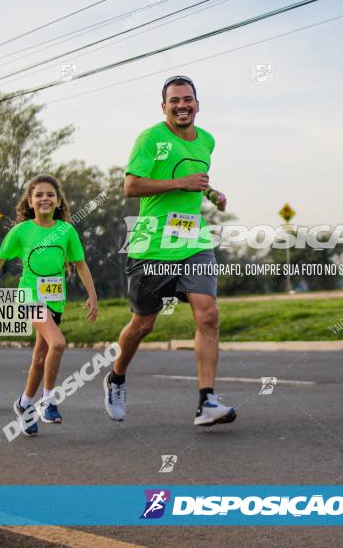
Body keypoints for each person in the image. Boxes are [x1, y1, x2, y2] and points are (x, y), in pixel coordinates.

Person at [104, 75, 235, 427]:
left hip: (193, 240)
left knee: (207, 314)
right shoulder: (150, 138)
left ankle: (206, 401)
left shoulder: (207, 140)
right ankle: (116, 377)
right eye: (174, 100)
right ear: (164, 107)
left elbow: (196, 180)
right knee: (143, 323)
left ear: (197, 103)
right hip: (152, 242)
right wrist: (181, 183)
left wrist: (212, 195)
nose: (182, 105)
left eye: (187, 99)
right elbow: (131, 186)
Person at [0, 175, 98, 436]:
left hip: (55, 299)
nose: (45, 198)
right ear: (30, 201)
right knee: (58, 343)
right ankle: (48, 402)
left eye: (50, 194)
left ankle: (24, 404)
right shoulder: (21, 231)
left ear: (58, 201)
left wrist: (92, 295)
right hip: (28, 297)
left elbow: (80, 264)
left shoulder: (66, 230)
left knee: (39, 357)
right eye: (39, 195)